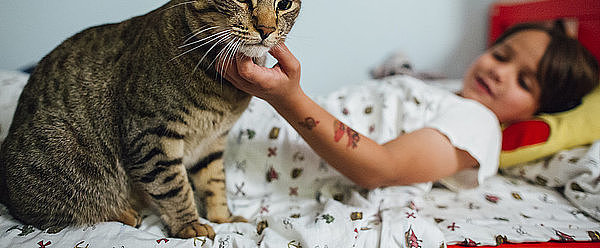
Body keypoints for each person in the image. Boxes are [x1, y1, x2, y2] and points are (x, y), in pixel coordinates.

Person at [221, 23, 599, 190]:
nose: (500, 73)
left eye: (524, 81)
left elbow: (380, 169)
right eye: (501, 55)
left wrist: (288, 98)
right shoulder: (449, 90)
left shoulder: (479, 125)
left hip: (278, 147)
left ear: (539, 111)